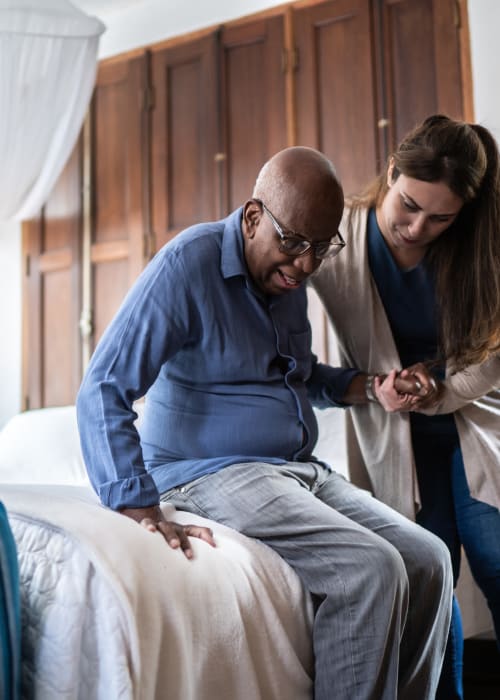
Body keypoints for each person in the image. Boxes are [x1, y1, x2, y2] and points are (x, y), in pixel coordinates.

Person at [77, 145, 453, 700]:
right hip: (208, 471)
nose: (305, 264)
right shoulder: (188, 266)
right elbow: (103, 387)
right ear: (254, 217)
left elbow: (297, 377)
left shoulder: (285, 281)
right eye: (294, 243)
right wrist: (138, 504)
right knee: (369, 571)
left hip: (295, 467)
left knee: (428, 560)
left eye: (321, 248)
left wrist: (369, 386)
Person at [311, 114, 500, 700]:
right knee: (428, 574)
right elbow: (300, 362)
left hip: (471, 420)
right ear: (391, 171)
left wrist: (437, 389)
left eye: (440, 217)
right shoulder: (335, 236)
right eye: (409, 205)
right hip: (393, 435)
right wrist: (374, 386)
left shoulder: (480, 248)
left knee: (493, 553)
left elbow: (490, 358)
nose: (418, 227)